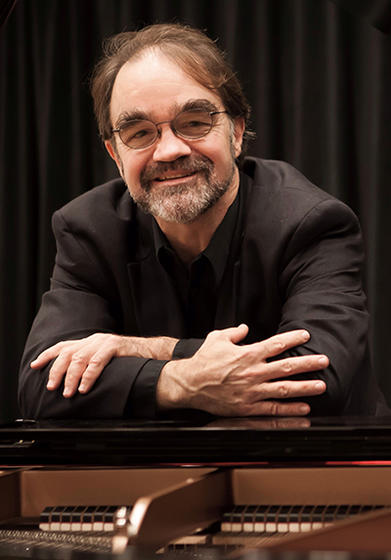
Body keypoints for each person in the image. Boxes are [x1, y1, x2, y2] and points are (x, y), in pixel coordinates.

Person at [18, 23, 382, 419]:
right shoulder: (88, 230)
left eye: (194, 122)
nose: (170, 150)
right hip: (155, 475)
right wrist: (181, 381)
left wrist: (148, 349)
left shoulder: (312, 223)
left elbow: (317, 382)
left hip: (316, 472)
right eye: (140, 133)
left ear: (237, 132)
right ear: (115, 154)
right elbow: (42, 387)